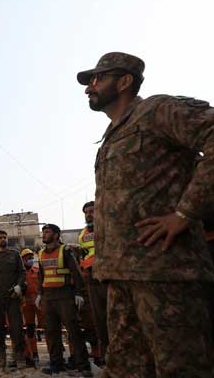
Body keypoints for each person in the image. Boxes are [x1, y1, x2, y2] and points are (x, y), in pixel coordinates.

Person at [78, 52, 214, 377]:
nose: (89, 88)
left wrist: (184, 213)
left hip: (166, 273)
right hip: (121, 276)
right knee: (126, 368)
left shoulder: (157, 111)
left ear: (124, 81)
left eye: (98, 78)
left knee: (180, 368)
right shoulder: (111, 138)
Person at [36, 224, 91, 377]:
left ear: (56, 235)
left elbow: (76, 272)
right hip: (48, 297)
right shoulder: (40, 254)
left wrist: (79, 293)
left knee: (74, 331)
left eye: (47, 232)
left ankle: (83, 365)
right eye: (43, 232)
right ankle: (56, 364)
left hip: (65, 295)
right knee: (51, 332)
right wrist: (40, 294)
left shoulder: (65, 251)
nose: (44, 234)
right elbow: (41, 275)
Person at [0, 230, 27, 368]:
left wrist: (19, 286)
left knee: (16, 328)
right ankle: (1, 357)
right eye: (0, 237)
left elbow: (22, 272)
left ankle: (19, 357)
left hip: (12, 296)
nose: (3, 239)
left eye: (5, 237)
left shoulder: (15, 254)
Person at [77, 201, 107, 366]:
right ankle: (104, 354)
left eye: (92, 211)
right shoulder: (82, 235)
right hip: (92, 279)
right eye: (86, 212)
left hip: (109, 277)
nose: (89, 214)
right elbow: (84, 256)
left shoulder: (108, 226)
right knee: (99, 319)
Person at [20, 248, 40, 366]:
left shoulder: (37, 270)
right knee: (30, 331)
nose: (30, 259)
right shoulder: (20, 274)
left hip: (39, 304)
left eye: (31, 257)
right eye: (27, 257)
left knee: (46, 329)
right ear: (22, 259)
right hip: (27, 306)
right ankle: (33, 354)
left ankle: (55, 354)